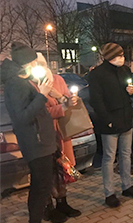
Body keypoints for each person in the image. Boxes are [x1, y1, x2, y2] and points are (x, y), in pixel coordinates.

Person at [1, 42, 57, 223]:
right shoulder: (15, 84)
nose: (37, 65)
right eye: (35, 61)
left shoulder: (23, 80)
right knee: (41, 188)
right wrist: (42, 95)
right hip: (36, 143)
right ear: (27, 63)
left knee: (41, 186)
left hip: (40, 141)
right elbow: (22, 117)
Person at [89, 43, 133, 208]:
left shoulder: (125, 70)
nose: (122, 58)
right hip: (110, 122)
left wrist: (132, 90)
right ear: (109, 56)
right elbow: (96, 101)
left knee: (126, 154)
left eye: (122, 54)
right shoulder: (97, 74)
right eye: (118, 55)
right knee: (109, 157)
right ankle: (109, 193)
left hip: (126, 118)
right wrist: (107, 120)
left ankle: (127, 186)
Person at [31, 53, 81, 223]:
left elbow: (67, 100)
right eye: (36, 64)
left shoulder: (57, 79)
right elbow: (39, 113)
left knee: (62, 168)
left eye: (42, 63)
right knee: (47, 172)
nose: (40, 67)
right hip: (44, 134)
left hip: (61, 131)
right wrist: (62, 106)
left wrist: (67, 100)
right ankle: (48, 207)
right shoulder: (31, 84)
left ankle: (62, 202)